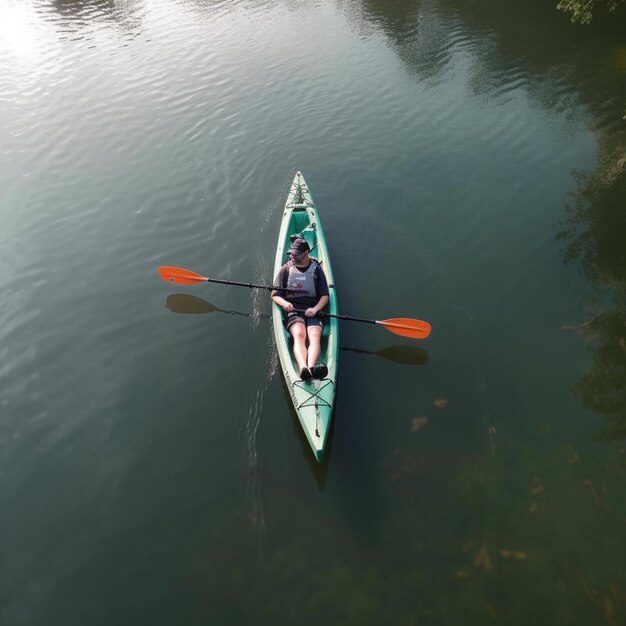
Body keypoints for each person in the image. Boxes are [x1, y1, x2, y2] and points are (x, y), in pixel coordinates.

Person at [271, 237, 329, 381]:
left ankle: (311, 367)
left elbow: (325, 296)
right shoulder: (285, 269)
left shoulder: (317, 270)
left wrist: (315, 309)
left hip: (313, 309)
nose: (293, 256)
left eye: (296, 253)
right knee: (299, 334)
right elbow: (275, 295)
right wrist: (284, 304)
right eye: (291, 253)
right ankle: (303, 367)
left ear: (306, 253)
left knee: (314, 335)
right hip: (293, 309)